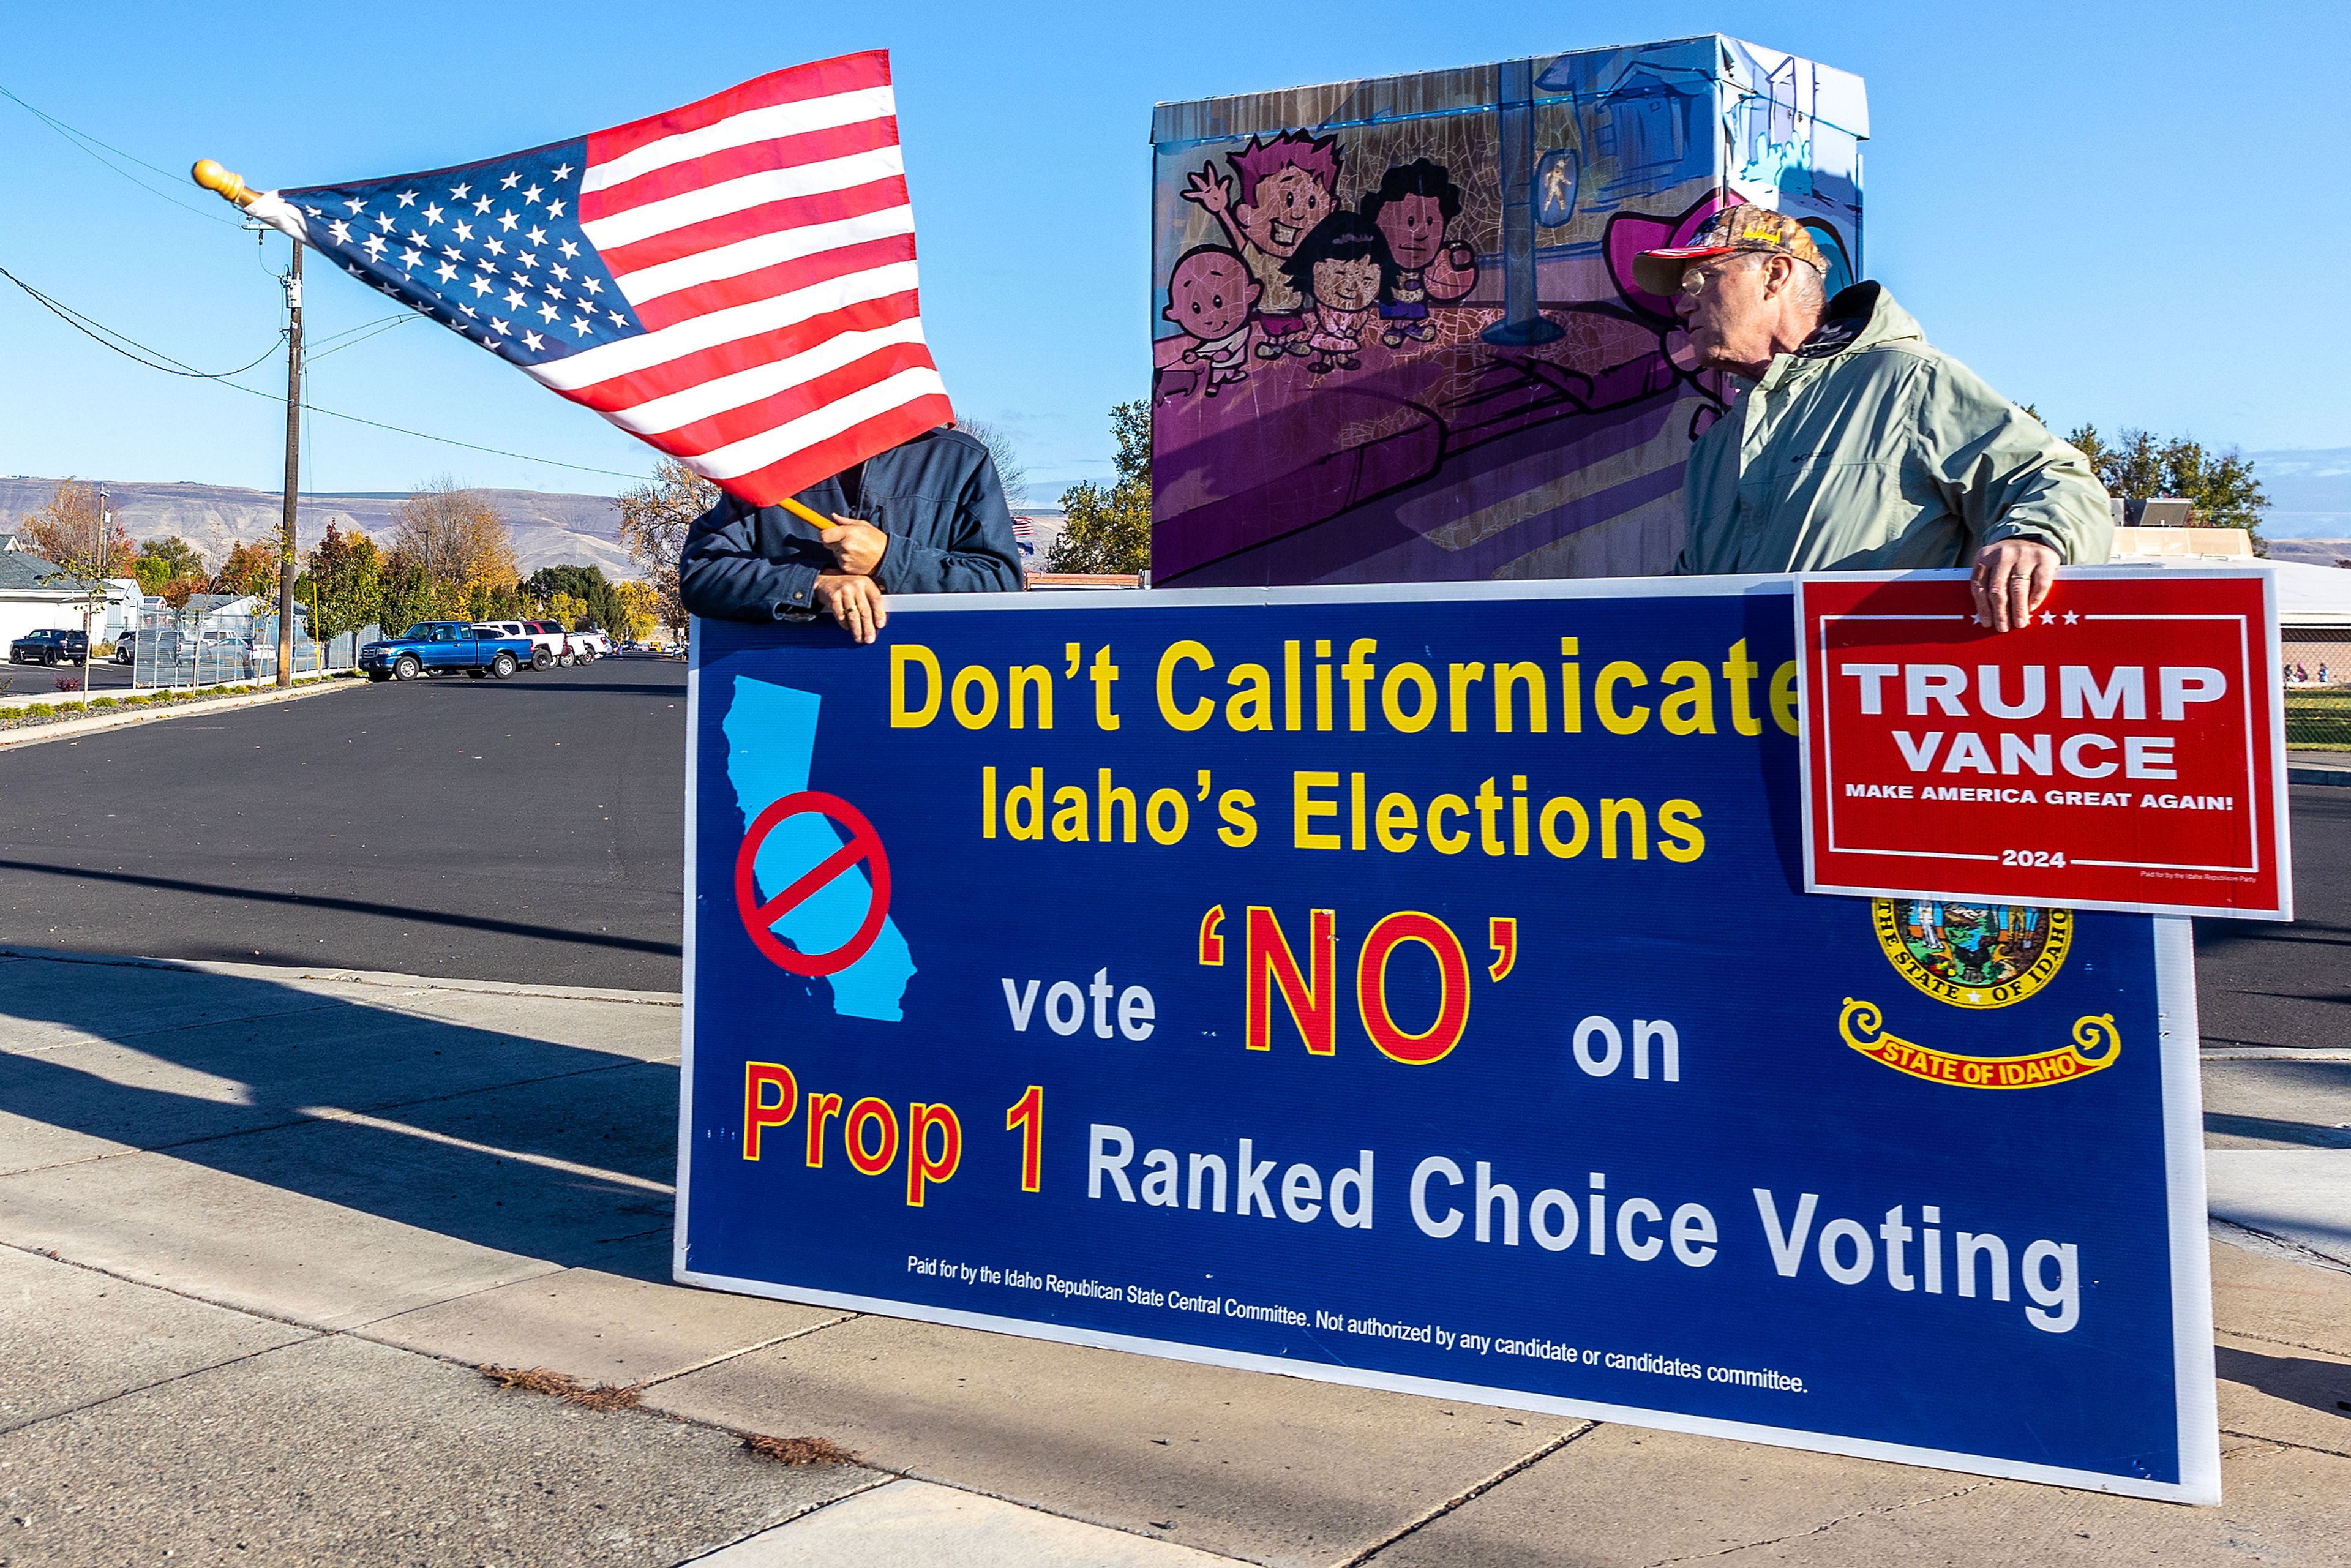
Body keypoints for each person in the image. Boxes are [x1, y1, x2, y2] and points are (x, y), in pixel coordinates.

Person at [1640, 209, 2111, 631]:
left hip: (1879, 711)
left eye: (1699, 281)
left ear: (1774, 275)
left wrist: (2034, 539)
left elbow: (2056, 479)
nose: (1683, 305)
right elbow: (1696, 589)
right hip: (1750, 715)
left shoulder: (1905, 378)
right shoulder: (1718, 447)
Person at [678, 426, 1024, 643]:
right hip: (786, 695)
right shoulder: (770, 462)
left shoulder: (958, 460)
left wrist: (889, 559)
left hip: (927, 699)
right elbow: (703, 574)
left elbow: (999, 581)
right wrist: (814, 584)